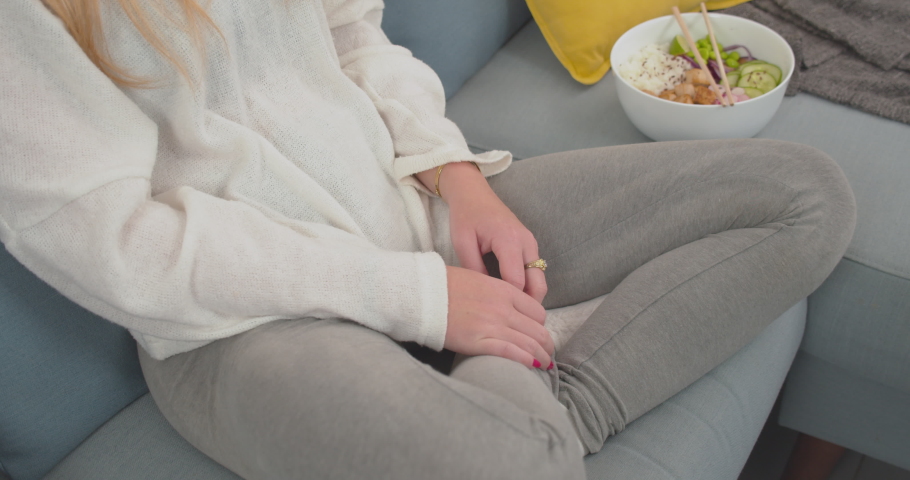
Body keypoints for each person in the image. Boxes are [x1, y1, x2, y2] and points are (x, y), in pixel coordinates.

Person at [0, 1, 856, 479]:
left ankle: (562, 397)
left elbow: (349, 34)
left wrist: (455, 175)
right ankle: (534, 387)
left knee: (804, 195)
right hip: (241, 324)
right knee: (517, 470)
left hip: (404, 202)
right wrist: (419, 299)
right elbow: (120, 246)